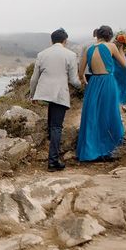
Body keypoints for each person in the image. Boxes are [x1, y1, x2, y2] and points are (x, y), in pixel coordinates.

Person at [29, 28, 82, 171]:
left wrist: (32, 94)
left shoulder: (42, 54)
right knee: (56, 127)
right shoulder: (70, 55)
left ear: (51, 41)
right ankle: (53, 161)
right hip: (59, 94)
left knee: (52, 124)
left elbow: (34, 78)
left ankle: (51, 154)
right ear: (65, 41)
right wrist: (82, 86)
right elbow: (73, 80)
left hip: (45, 93)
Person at [77, 25, 126, 161]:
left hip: (94, 82)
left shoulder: (89, 49)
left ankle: (90, 150)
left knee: (92, 114)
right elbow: (124, 64)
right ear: (109, 36)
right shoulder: (111, 47)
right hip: (108, 82)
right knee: (109, 113)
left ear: (98, 35)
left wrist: (84, 80)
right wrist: (121, 49)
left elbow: (80, 71)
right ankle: (110, 149)